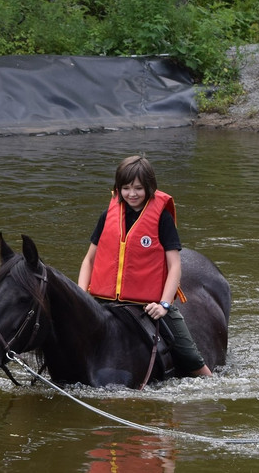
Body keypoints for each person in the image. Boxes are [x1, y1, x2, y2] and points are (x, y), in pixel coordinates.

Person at [78, 155, 212, 377]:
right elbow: (88, 260)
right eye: (126, 188)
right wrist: (82, 295)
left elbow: (174, 266)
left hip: (149, 305)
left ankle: (208, 380)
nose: (132, 194)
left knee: (189, 356)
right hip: (104, 299)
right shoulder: (108, 216)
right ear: (118, 188)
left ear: (149, 187)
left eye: (138, 188)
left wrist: (164, 305)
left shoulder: (162, 219)